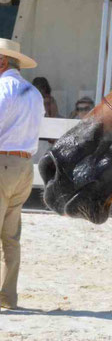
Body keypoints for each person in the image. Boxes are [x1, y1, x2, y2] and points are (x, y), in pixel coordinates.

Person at [0, 38, 44, 310]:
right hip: (24, 167)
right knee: (11, 237)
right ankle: (8, 296)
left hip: (2, 163)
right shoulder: (33, 92)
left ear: (2, 62)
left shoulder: (3, 89)